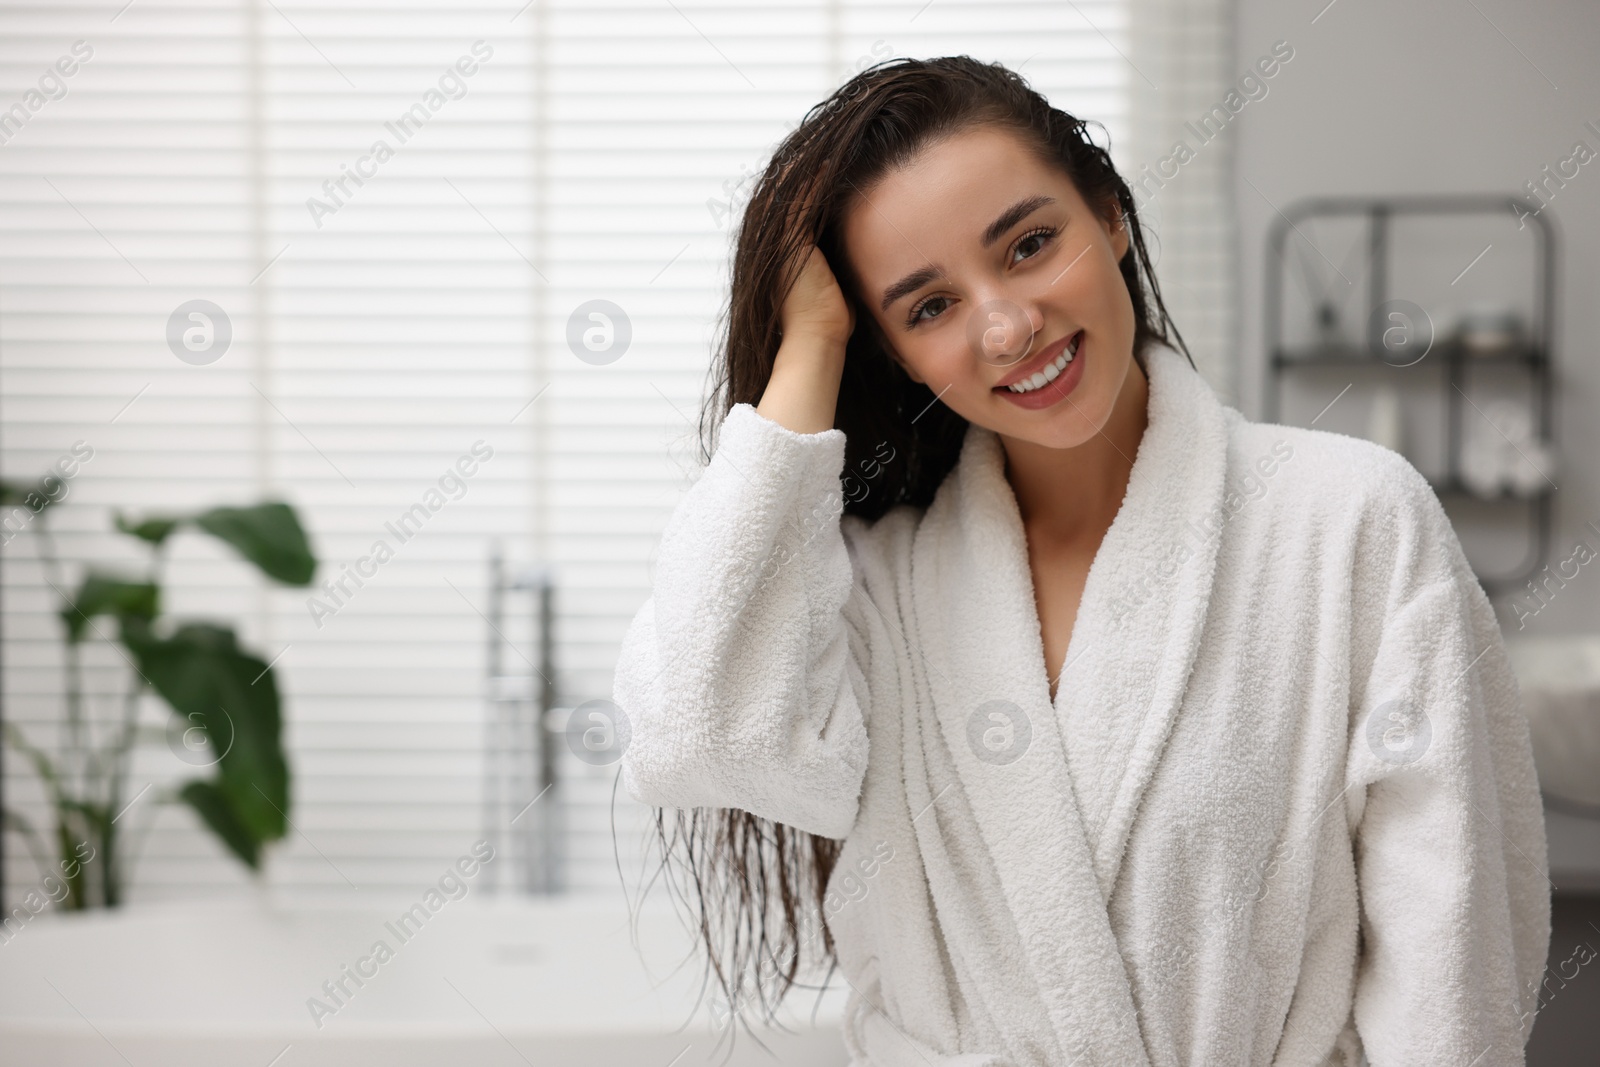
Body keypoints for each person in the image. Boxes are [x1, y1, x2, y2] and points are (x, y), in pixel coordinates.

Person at [613, 55, 1550, 1067]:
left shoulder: (1351, 523)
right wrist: (807, 343)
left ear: (1109, 215)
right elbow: (703, 733)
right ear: (889, 350)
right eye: (927, 307)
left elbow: (1452, 964)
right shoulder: (873, 590)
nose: (1008, 327)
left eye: (1027, 244)